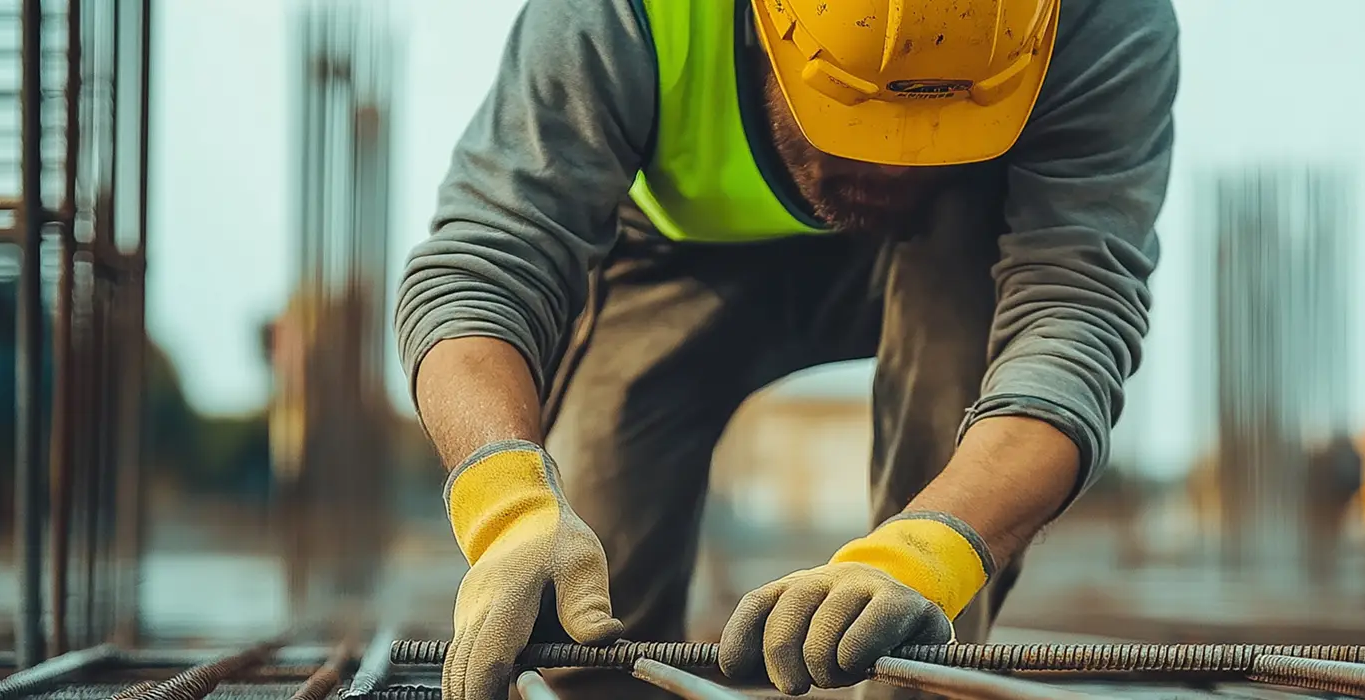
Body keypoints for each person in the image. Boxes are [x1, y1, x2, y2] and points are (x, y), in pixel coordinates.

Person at [393, 0, 1179, 697]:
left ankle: (916, 683)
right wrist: (508, 506)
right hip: (669, 262)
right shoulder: (613, 14)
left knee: (905, 619)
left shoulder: (1097, 17)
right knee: (581, 611)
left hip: (949, 249)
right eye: (853, 110)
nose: (892, 161)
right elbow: (487, 266)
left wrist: (927, 558)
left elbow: (1070, 319)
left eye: (936, 118)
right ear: (768, 25)